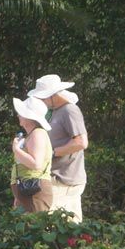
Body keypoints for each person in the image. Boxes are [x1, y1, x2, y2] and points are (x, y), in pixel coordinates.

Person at [28, 74, 88, 222]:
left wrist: (52, 153)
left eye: (43, 97)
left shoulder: (69, 110)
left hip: (65, 179)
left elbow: (81, 142)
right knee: (48, 222)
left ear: (52, 95)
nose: (41, 101)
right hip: (55, 176)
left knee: (62, 224)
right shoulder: (55, 111)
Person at [10, 97, 53, 213]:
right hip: (26, 189)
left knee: (34, 227)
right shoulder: (31, 134)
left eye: (21, 113)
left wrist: (16, 150)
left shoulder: (38, 134)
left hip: (34, 190)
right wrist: (17, 197)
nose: (18, 115)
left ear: (29, 117)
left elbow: (36, 163)